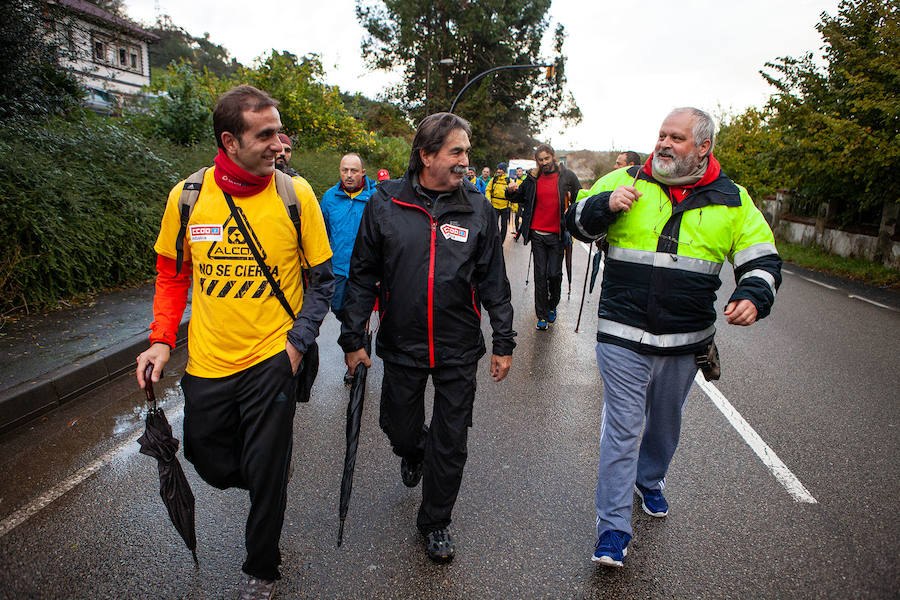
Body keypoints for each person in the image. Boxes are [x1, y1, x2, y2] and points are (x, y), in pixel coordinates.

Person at [135, 84, 334, 598]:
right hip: (206, 361)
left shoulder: (297, 194)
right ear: (230, 141)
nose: (278, 144)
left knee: (266, 472)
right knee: (210, 460)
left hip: (273, 357)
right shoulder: (188, 198)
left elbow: (323, 281)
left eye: (279, 132)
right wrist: (161, 340)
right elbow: (171, 274)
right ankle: (267, 475)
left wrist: (297, 345)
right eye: (265, 134)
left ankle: (262, 567)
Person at [566, 107, 782, 568]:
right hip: (621, 334)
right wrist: (604, 207)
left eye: (676, 138)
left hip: (685, 341)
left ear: (703, 147)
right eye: (661, 135)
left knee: (663, 423)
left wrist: (754, 294)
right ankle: (612, 530)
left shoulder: (733, 200)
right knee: (622, 428)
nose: (663, 143)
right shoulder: (624, 179)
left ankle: (650, 479)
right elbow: (577, 223)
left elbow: (761, 258)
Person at [339, 112, 515, 564]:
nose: (465, 161)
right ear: (426, 155)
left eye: (466, 152)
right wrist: (352, 337)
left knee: (451, 439)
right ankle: (413, 449)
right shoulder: (386, 203)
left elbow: (494, 281)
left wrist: (503, 340)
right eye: (456, 151)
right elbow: (362, 276)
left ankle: (435, 521)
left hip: (458, 348)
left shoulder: (478, 208)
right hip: (402, 343)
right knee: (397, 426)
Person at [508, 144, 581, 330]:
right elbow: (519, 197)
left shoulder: (567, 176)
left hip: (557, 235)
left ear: (553, 157)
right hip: (537, 234)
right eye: (540, 160)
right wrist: (511, 191)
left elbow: (580, 199)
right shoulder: (532, 178)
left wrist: (574, 222)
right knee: (540, 276)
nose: (544, 163)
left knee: (554, 274)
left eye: (546, 159)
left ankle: (552, 305)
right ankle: (541, 315)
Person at [320, 153, 378, 383]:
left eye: (354, 170)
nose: (349, 175)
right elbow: (322, 232)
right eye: (345, 170)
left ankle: (354, 363)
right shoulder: (329, 198)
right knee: (341, 312)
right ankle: (358, 340)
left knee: (357, 315)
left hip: (364, 272)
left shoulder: (374, 197)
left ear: (363, 172)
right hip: (339, 270)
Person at [485, 162, 512, 239]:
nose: (498, 171)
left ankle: (501, 241)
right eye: (498, 169)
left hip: (505, 206)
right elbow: (488, 190)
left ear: (504, 170)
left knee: (504, 225)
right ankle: (493, 239)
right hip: (494, 206)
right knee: (493, 224)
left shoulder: (509, 180)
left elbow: (514, 193)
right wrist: (488, 200)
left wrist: (514, 206)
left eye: (500, 169)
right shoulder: (494, 179)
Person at [511, 166, 527, 237]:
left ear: (522, 172)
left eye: (520, 171)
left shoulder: (526, 179)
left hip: (524, 202)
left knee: (524, 217)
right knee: (517, 216)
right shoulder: (515, 180)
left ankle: (523, 231)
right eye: (517, 172)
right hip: (518, 202)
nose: (518, 173)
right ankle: (517, 231)